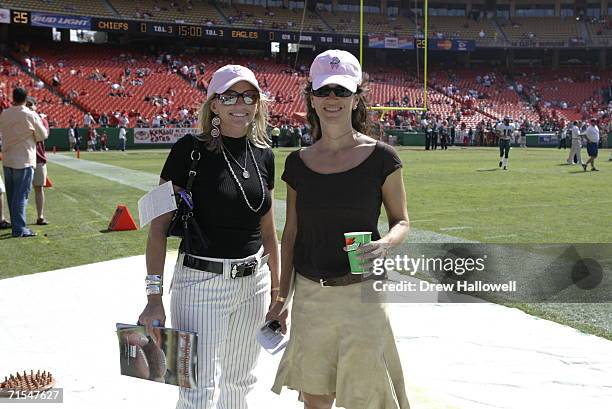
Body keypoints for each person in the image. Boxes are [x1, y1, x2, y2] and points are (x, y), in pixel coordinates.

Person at [268, 49, 411, 409]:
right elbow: (291, 235)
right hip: (311, 296)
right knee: (315, 400)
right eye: (324, 90)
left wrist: (386, 243)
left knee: (365, 399)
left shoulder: (382, 157)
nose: (333, 99)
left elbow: (402, 221)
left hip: (363, 294)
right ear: (312, 98)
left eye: (342, 91)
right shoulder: (297, 163)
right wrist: (282, 299)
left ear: (356, 97)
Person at [138, 64, 283, 409]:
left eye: (249, 96)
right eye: (230, 95)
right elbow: (158, 228)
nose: (241, 103)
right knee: (197, 390)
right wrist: (153, 296)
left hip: (254, 284)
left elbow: (268, 232)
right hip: (200, 283)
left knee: (239, 384)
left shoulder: (264, 154)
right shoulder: (189, 150)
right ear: (214, 105)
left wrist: (278, 293)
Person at [0, 87, 48, 237]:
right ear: (26, 98)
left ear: (12, 97)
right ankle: (19, 228)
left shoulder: (4, 114)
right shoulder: (30, 114)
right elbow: (43, 135)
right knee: (21, 196)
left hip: (8, 158)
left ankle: (17, 225)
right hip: (25, 159)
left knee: (12, 195)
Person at [25, 97, 50, 225]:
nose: (29, 107)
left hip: (38, 157)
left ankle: (40, 216)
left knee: (39, 188)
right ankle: (20, 219)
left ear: (35, 106)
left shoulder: (40, 119)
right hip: (24, 158)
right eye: (26, 104)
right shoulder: (23, 118)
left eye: (31, 105)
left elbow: (43, 135)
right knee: (22, 190)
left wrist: (41, 119)